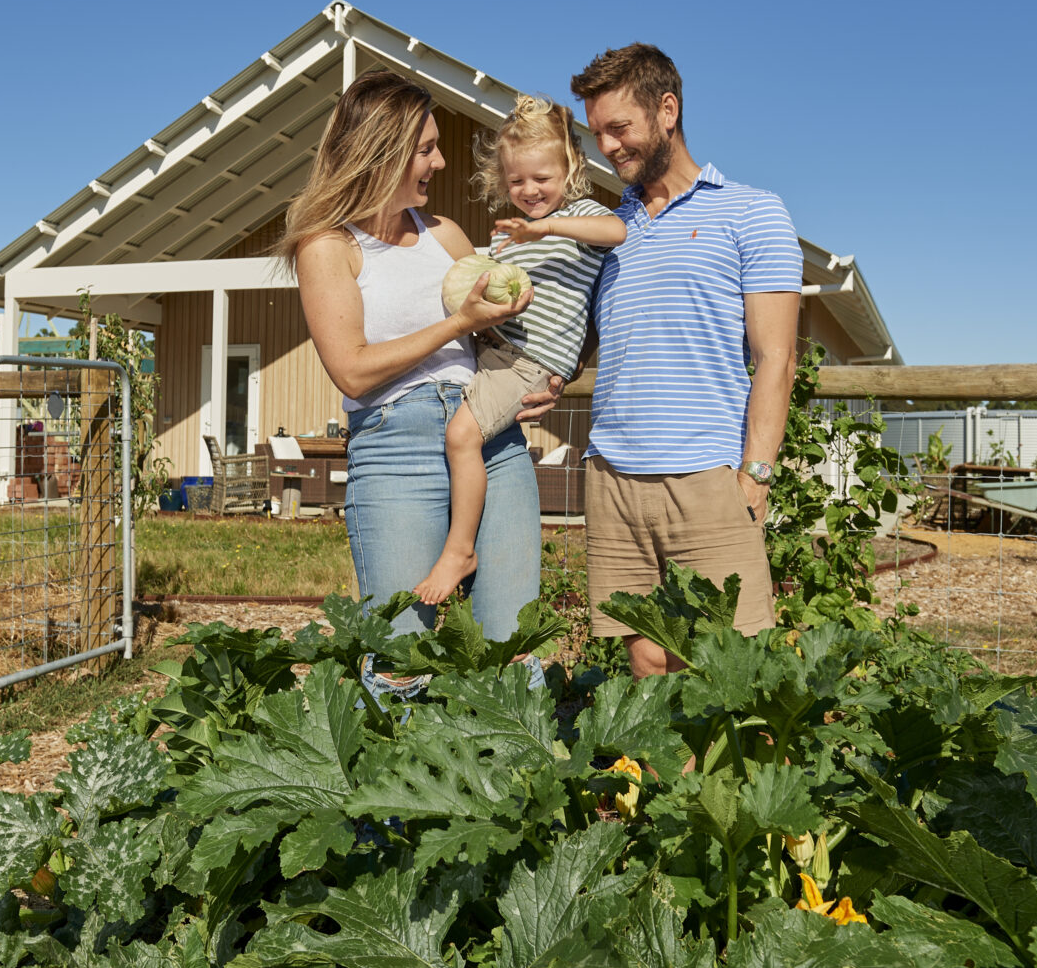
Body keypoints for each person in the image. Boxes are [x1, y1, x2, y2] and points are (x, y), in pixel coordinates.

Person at [277, 71, 562, 666]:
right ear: (383, 151)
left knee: (511, 650)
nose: (437, 161)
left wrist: (548, 375)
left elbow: (502, 334)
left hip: (491, 442)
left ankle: (508, 760)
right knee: (401, 655)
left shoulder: (446, 235)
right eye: (426, 148)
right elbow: (352, 371)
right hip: (396, 450)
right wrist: (458, 323)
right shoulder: (328, 246)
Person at [569, 44, 802, 678]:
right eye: (599, 134)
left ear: (666, 110)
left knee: (733, 668)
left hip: (707, 476)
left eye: (620, 128)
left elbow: (775, 356)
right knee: (645, 658)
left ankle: (735, 783)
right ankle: (665, 782)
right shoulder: (611, 227)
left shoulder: (752, 212)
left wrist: (756, 471)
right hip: (613, 475)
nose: (610, 147)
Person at [413, 96, 625, 605]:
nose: (529, 192)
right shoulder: (517, 234)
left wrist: (547, 228)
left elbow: (615, 230)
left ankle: (459, 550)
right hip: (500, 347)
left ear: (571, 169)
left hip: (530, 363)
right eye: (516, 182)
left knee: (461, 436)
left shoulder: (580, 217)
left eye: (542, 179)